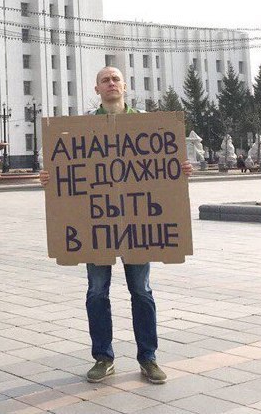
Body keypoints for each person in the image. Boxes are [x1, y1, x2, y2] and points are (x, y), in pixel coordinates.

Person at [39, 66, 192, 385]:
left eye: (115, 79)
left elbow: (161, 169)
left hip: (137, 224)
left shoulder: (147, 125)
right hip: (98, 226)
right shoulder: (82, 128)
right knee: (97, 291)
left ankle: (148, 357)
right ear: (97, 89)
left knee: (141, 291)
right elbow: (69, 168)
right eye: (105, 80)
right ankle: (103, 357)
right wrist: (49, 179)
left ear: (125, 86)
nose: (111, 84)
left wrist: (179, 169)